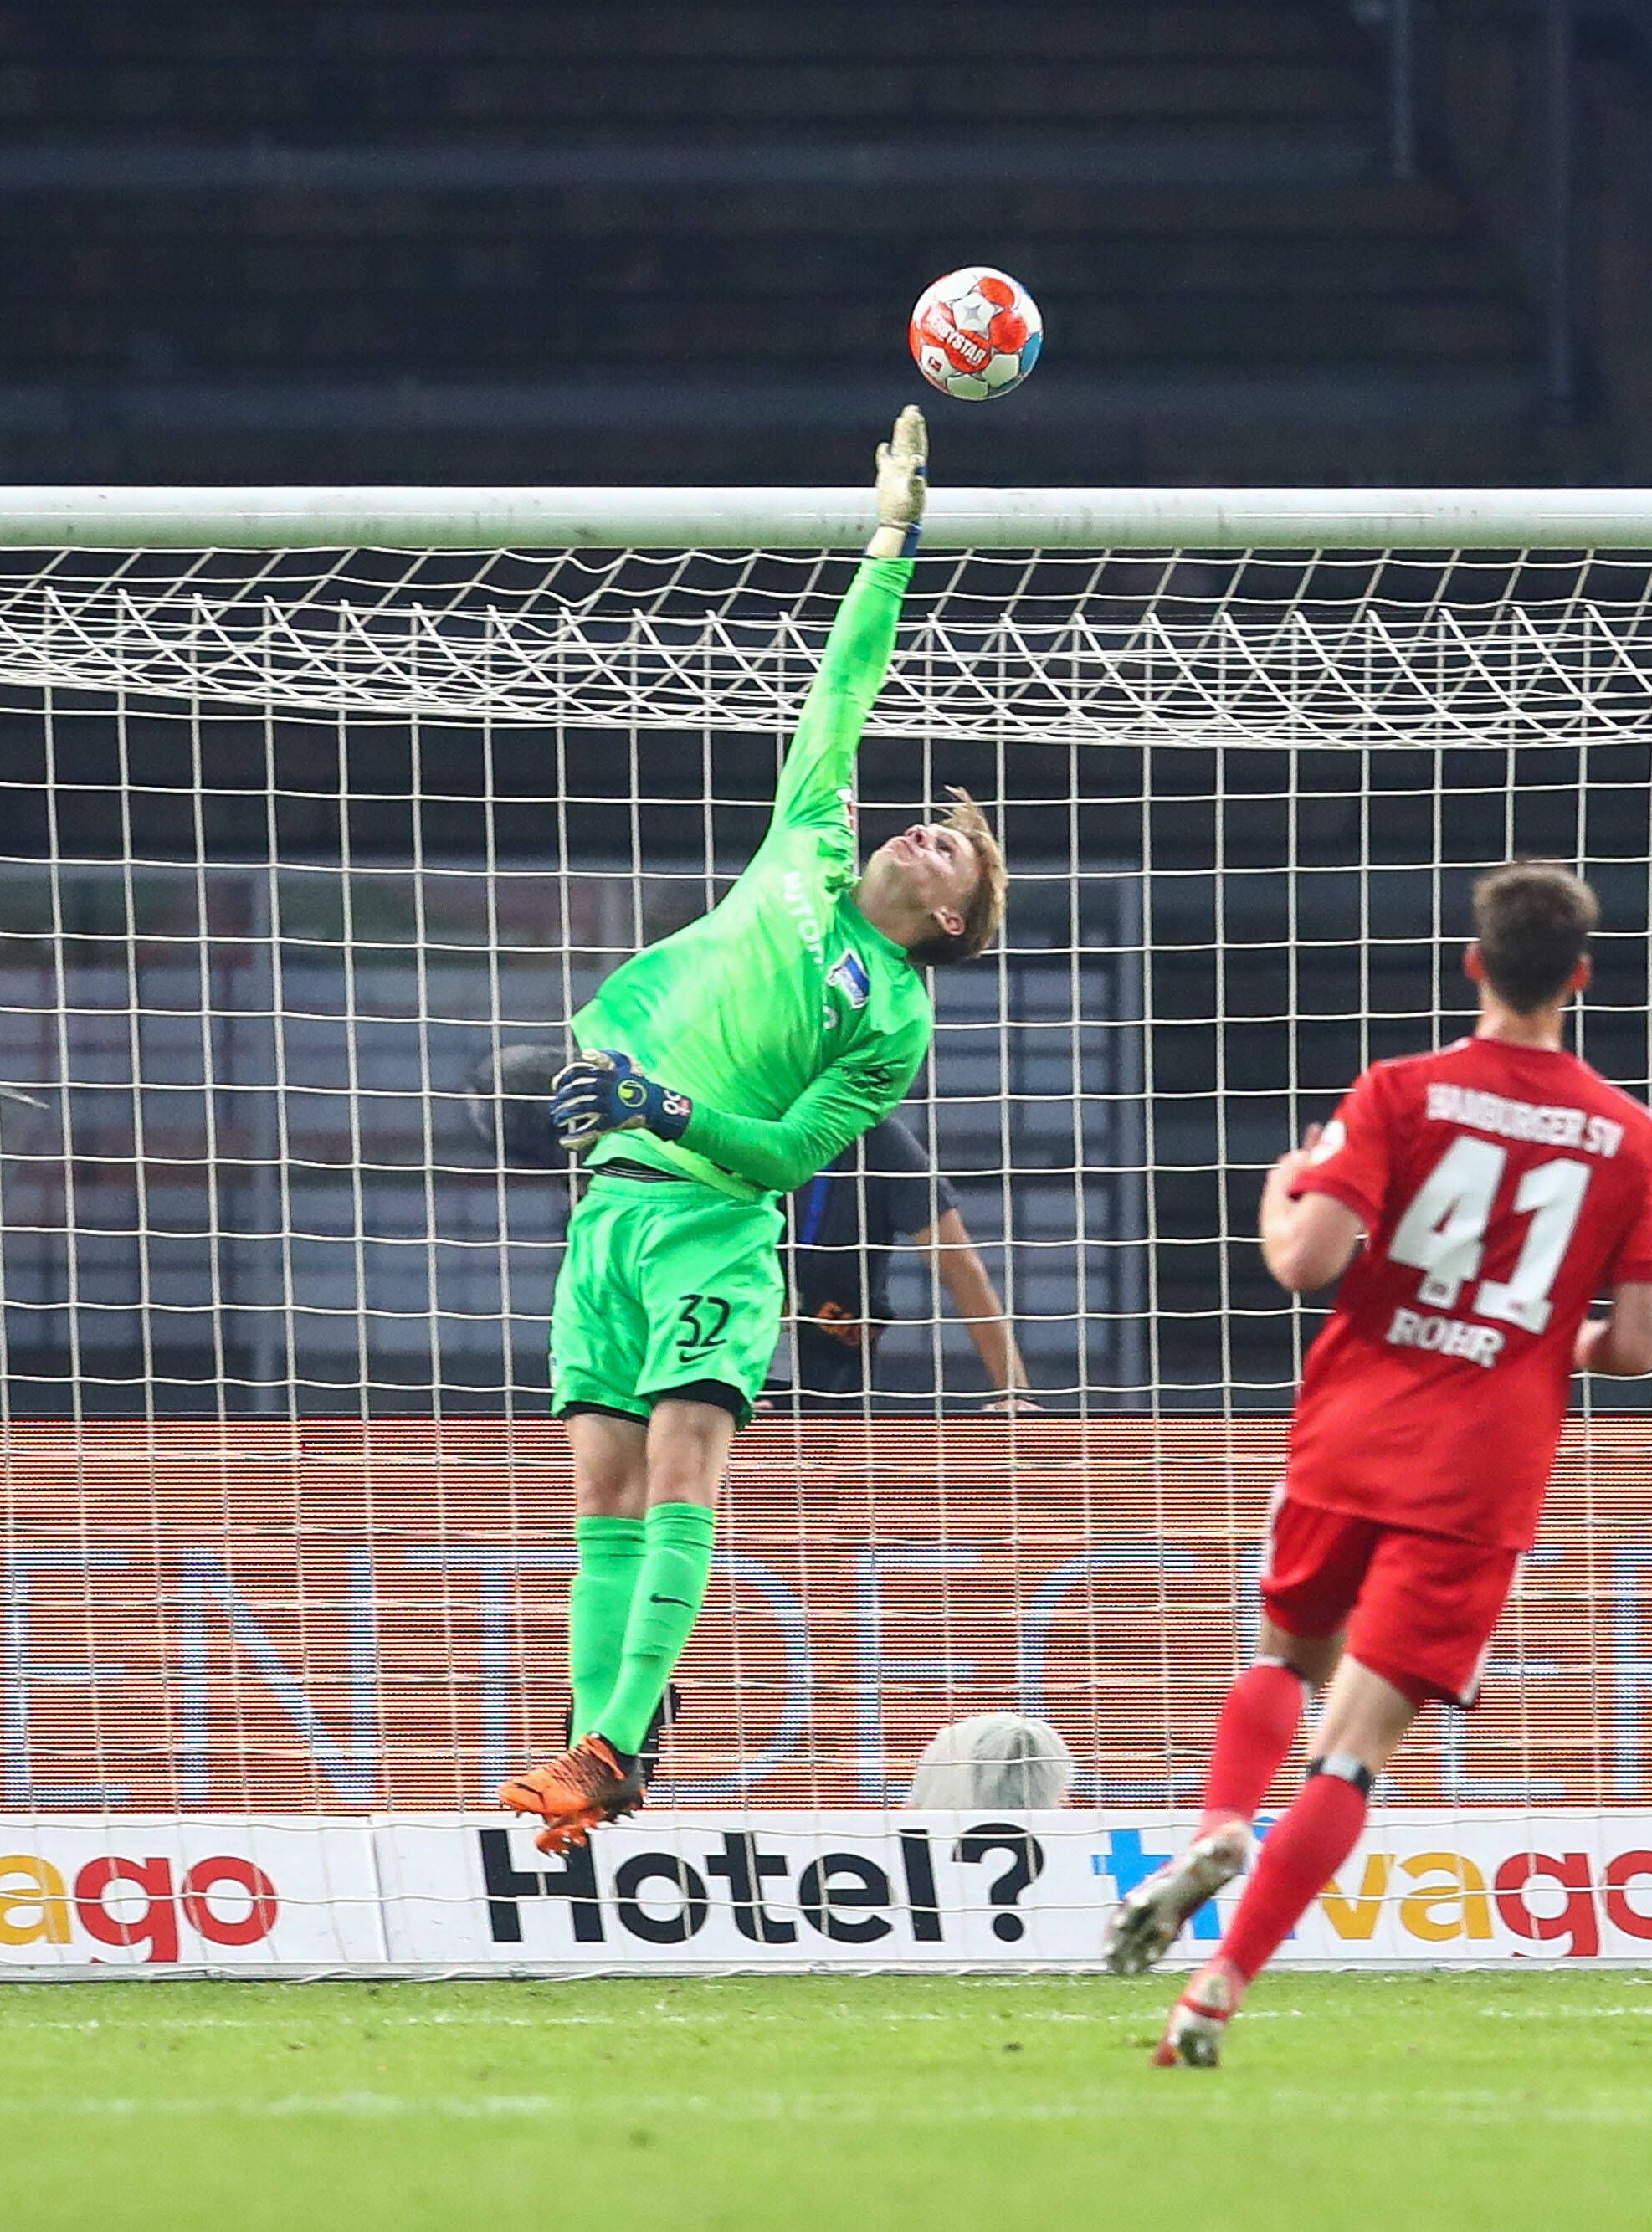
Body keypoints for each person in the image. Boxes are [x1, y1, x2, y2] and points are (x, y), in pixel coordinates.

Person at [495, 407, 1008, 1853]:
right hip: (612, 1207)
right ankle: (603, 1754)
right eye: (929, 822)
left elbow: (786, 1157)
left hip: (718, 1221)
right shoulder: (811, 843)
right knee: (597, 1485)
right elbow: (845, 683)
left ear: (957, 913)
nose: (926, 833)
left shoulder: (892, 1013)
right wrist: (891, 537)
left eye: (953, 847)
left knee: (675, 1471)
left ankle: (608, 1744)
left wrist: (661, 1100)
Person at [1103, 862, 1652, 2069]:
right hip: (1485, 1466)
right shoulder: (1631, 1135)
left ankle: (1218, 1823)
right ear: (1580, 974)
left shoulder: (1399, 1090)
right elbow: (1633, 1343)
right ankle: (1216, 1987)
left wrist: (1277, 1200)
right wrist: (1528, 1336)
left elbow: (1308, 1260)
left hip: (1353, 1431)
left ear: (1474, 963)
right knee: (1355, 1746)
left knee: (1284, 1653)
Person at [779, 1113, 1034, 1407]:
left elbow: (959, 1268)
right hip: (735, 1369)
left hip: (833, 1394)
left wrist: (1014, 1394)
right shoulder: (740, 1124)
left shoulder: (876, 1139)